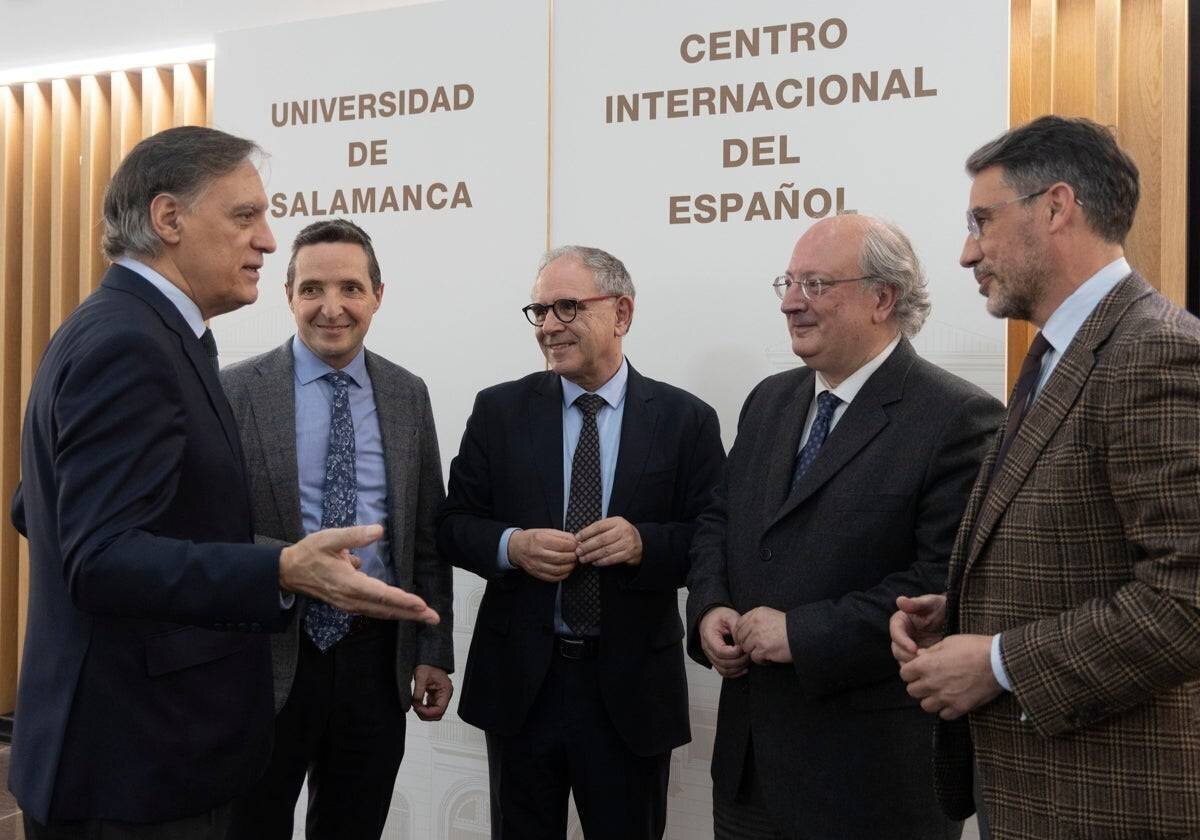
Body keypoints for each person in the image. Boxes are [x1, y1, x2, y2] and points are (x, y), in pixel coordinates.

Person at [10, 126, 438, 840]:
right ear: (169, 218)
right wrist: (282, 567)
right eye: (245, 216)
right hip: (132, 761)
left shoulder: (146, 331)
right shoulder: (130, 343)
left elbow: (38, 507)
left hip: (146, 747)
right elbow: (99, 556)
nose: (266, 240)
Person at [892, 115, 1200, 840]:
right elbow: (1085, 553)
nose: (968, 252)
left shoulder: (1153, 353)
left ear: (1057, 206)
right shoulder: (1064, 354)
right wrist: (965, 611)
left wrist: (999, 662)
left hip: (1111, 806)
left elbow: (1187, 598)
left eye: (982, 221)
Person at [687, 214, 1003, 839]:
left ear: (882, 298)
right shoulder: (768, 399)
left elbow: (942, 585)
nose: (790, 302)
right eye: (787, 282)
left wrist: (800, 634)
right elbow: (719, 521)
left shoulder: (957, 417)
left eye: (815, 284)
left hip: (870, 781)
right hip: (749, 769)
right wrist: (710, 606)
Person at [437, 245, 724, 839]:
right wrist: (512, 545)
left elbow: (713, 538)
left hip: (631, 692)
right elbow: (452, 524)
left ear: (622, 313)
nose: (548, 326)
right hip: (522, 688)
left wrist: (643, 543)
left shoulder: (685, 419)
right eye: (539, 311)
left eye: (567, 307)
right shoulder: (499, 410)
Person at [221, 218, 453, 840]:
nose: (332, 308)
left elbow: (426, 538)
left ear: (378, 295)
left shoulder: (407, 394)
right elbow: (210, 533)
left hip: (376, 663)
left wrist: (432, 651)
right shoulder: (234, 391)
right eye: (312, 289)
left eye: (350, 288)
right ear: (288, 296)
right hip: (265, 657)